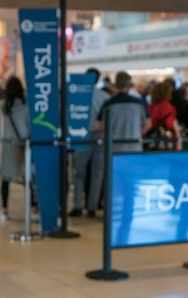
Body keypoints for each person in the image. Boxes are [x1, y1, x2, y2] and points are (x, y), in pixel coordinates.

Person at [91, 73, 151, 217]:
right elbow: (148, 124)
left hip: (114, 148)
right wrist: (137, 133)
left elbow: (101, 126)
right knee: (131, 182)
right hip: (134, 148)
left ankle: (112, 211)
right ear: (129, 85)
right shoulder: (138, 103)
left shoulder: (109, 103)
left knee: (113, 182)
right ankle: (129, 209)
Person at [71, 69, 111, 217]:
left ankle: (77, 205)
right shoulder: (105, 97)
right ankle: (92, 207)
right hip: (101, 136)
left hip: (81, 135)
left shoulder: (78, 96)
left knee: (79, 173)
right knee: (97, 173)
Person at [0, 76, 31, 220]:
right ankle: (32, 207)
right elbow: (29, 127)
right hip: (22, 145)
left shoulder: (1, 107)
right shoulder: (26, 107)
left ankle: (4, 209)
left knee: (5, 179)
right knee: (27, 177)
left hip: (6, 145)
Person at [147, 81, 181, 149]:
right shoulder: (170, 107)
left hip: (153, 142)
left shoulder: (150, 108)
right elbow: (171, 126)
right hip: (167, 144)